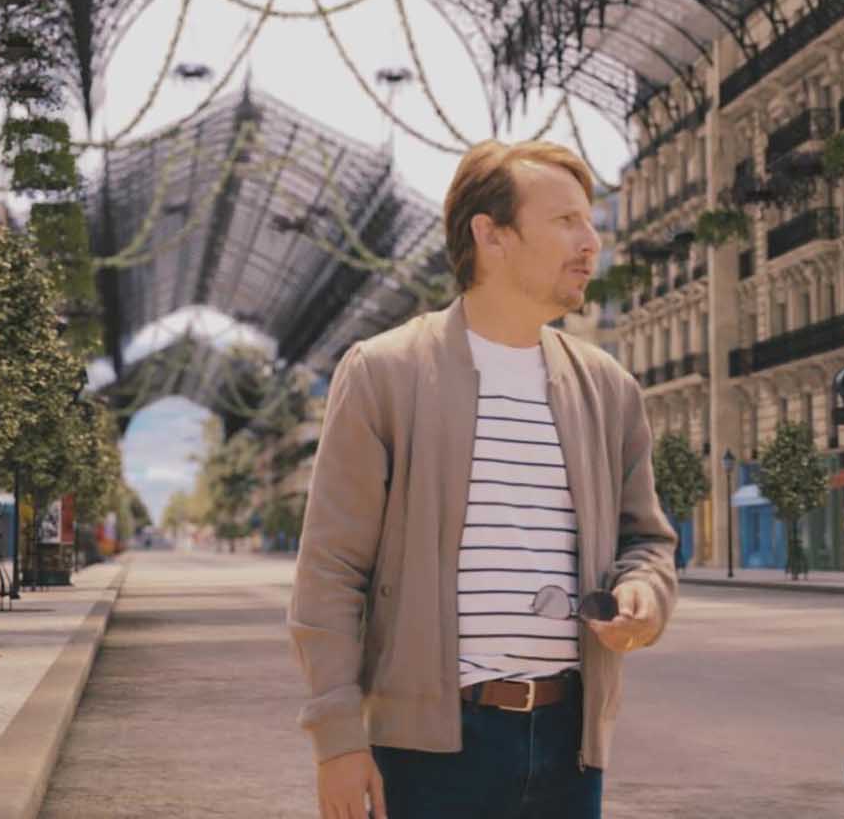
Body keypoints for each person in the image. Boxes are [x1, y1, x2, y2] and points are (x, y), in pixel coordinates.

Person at [289, 140, 679, 819]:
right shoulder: (385, 373)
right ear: (490, 235)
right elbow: (330, 572)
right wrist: (337, 741)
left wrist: (643, 592)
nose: (590, 242)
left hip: (567, 745)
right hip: (427, 754)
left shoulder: (608, 389)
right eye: (565, 222)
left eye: (590, 222)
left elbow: (645, 540)